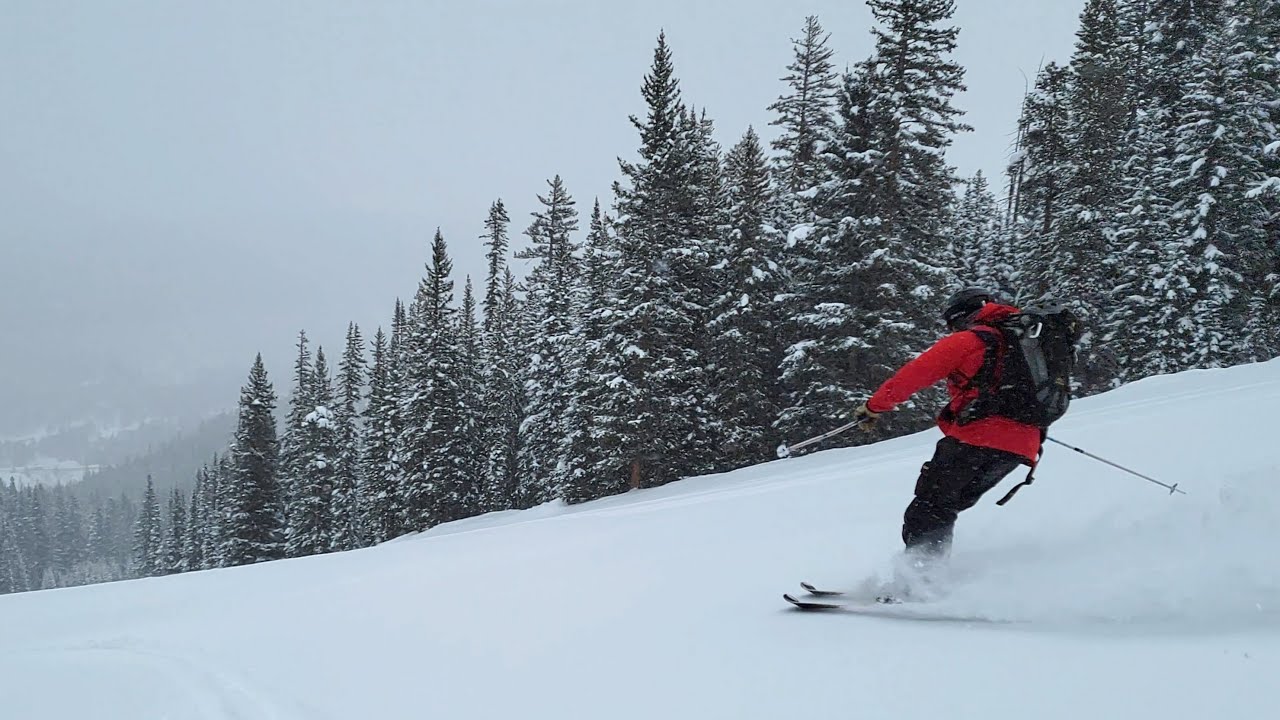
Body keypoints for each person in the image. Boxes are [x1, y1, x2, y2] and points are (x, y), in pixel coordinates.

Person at [850, 287, 1042, 562]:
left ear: (962, 316)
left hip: (977, 439)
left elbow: (914, 375)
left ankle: (920, 581)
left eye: (952, 325)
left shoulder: (971, 340)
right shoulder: (1022, 344)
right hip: (1021, 448)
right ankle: (930, 578)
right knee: (942, 506)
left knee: (930, 507)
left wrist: (873, 407)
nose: (952, 331)